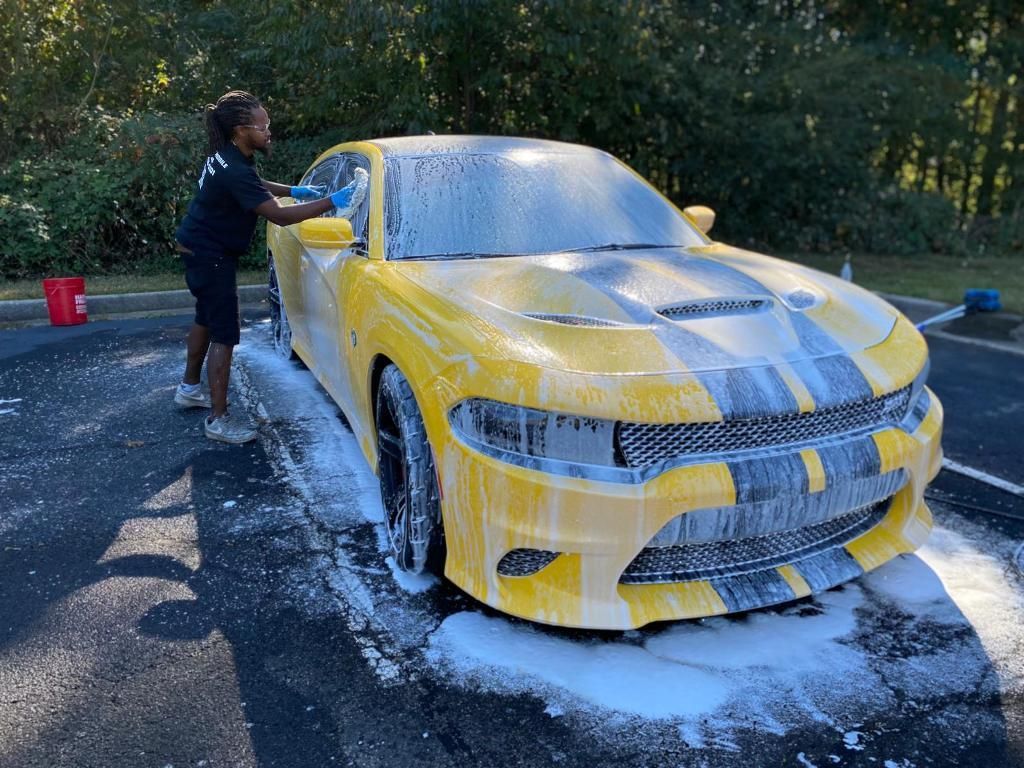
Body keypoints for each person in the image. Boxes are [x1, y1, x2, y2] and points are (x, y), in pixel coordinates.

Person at [173, 90, 356, 444]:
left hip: (195, 245)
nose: (269, 131)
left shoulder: (226, 156)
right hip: (211, 254)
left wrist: (296, 190)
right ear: (242, 129)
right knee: (224, 334)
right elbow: (278, 215)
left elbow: (254, 185)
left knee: (204, 319)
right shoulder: (235, 167)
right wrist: (328, 202)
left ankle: (189, 388)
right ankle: (218, 420)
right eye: (263, 126)